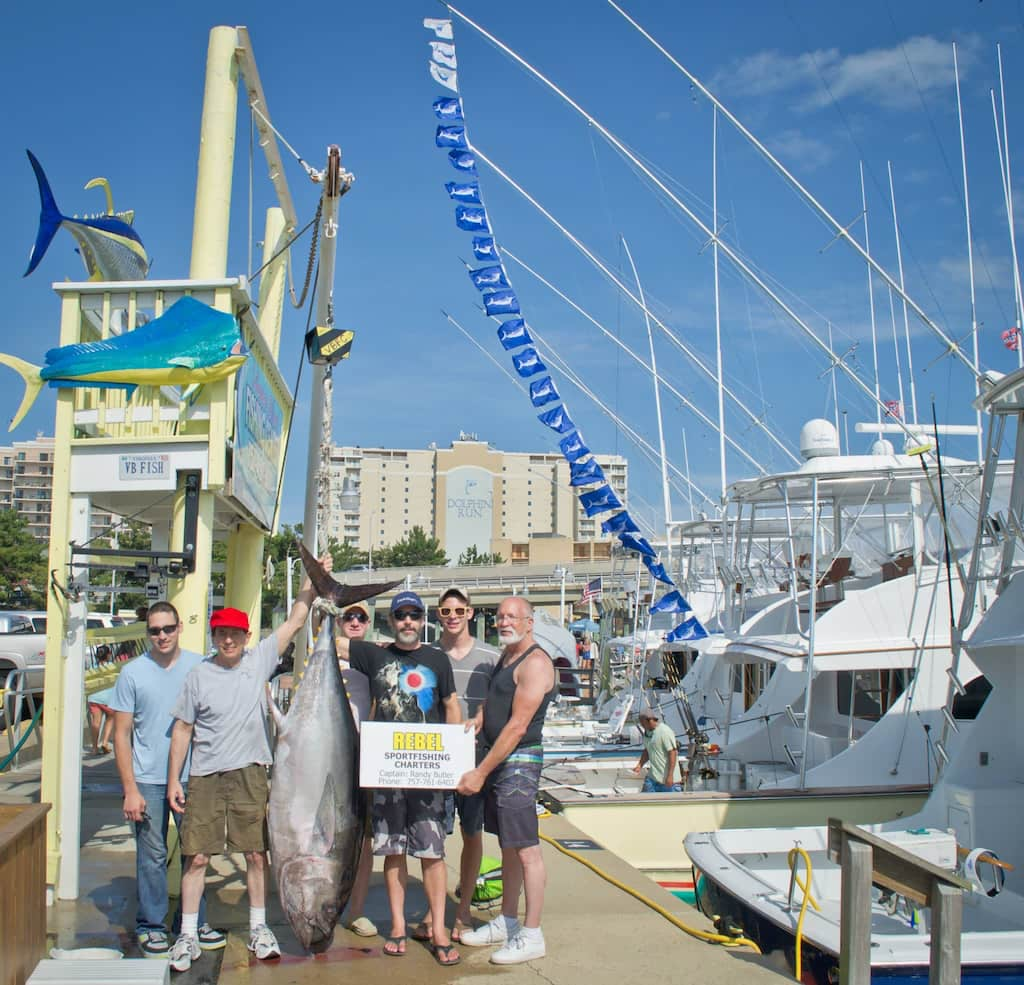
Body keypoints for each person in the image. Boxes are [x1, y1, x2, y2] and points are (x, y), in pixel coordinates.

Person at [165, 568, 320, 973]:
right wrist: (173, 782)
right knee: (197, 858)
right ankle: (187, 933)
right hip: (205, 776)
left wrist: (314, 578)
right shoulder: (198, 674)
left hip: (251, 773)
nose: (228, 639)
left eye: (235, 633)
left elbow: (296, 619)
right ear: (213, 637)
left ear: (247, 637)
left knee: (255, 854)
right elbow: (182, 729)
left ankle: (258, 927)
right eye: (221, 633)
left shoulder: (259, 661)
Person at [333, 590, 462, 966]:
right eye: (401, 615)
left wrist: (453, 760)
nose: (408, 621)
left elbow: (451, 705)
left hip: (429, 776)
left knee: (432, 853)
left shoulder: (437, 659)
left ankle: (438, 928)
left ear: (423, 620)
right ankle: (397, 926)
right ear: (390, 621)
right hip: (387, 773)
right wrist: (323, 603)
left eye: (414, 615)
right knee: (392, 853)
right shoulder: (373, 653)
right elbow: (325, 640)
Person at [109, 603, 224, 958]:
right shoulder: (131, 673)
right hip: (147, 779)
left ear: (179, 628)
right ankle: (152, 925)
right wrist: (130, 789)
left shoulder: (201, 665)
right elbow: (121, 734)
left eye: (168, 629)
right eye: (154, 631)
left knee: (197, 853)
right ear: (148, 633)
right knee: (152, 855)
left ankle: (192, 922)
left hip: (195, 777)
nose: (161, 636)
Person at [457, 596, 557, 965]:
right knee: (509, 847)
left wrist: (480, 772)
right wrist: (481, 717)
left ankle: (532, 933)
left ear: (529, 621)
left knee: (527, 849)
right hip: (500, 763)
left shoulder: (535, 663)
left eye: (512, 616)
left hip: (519, 764)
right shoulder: (508, 656)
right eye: (499, 616)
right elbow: (498, 700)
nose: (503, 622)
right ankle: (508, 921)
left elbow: (517, 726)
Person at [411, 586, 498, 945]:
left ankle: (461, 913)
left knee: (472, 833)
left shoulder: (492, 657)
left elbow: (504, 700)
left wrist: (483, 713)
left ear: (471, 613)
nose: (452, 617)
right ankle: (435, 913)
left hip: (475, 762)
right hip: (437, 760)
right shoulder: (427, 655)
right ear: (438, 615)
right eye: (445, 612)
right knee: (433, 837)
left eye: (458, 611)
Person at [333, 600, 376, 938]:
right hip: (328, 755)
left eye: (362, 617)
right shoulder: (322, 655)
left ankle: (356, 910)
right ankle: (326, 899)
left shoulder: (376, 656)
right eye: (349, 616)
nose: (356, 621)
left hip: (368, 753)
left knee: (364, 837)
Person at [632, 709, 681, 792]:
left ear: (649, 720)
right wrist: (640, 765)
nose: (642, 725)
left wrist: (670, 776)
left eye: (642, 723)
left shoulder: (665, 731)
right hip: (653, 778)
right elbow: (647, 749)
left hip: (668, 780)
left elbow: (672, 753)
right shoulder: (647, 733)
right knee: (645, 802)